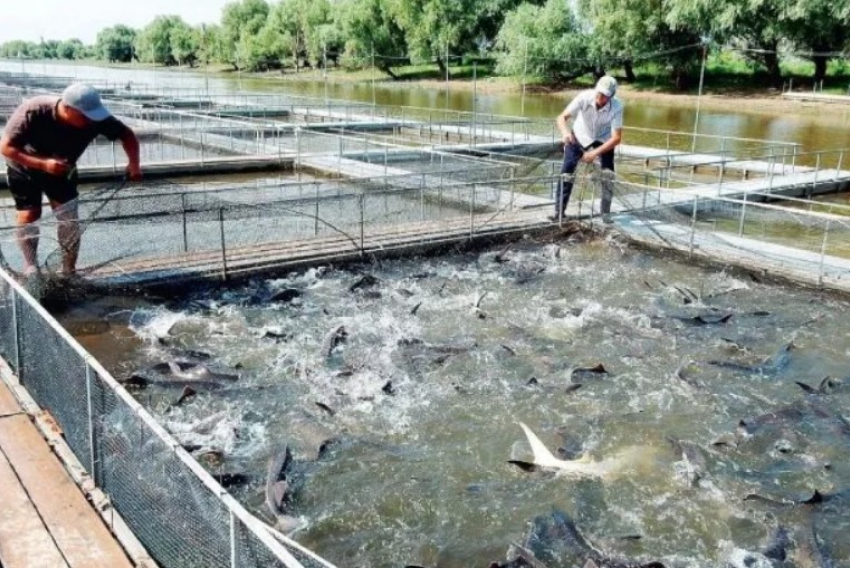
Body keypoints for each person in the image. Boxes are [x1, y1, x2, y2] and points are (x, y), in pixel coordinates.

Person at [0, 83, 142, 277]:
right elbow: (7, 147)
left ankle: (69, 270)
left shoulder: (97, 119)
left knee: (69, 218)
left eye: (94, 116)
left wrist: (134, 164)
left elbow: (127, 136)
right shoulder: (34, 110)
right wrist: (44, 164)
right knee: (30, 215)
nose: (91, 121)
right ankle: (31, 265)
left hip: (63, 169)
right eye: (85, 116)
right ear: (67, 109)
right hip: (25, 165)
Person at [552, 75, 624, 221]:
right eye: (599, 93)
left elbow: (616, 138)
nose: (601, 97)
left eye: (605, 96)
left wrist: (595, 153)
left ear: (611, 97)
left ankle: (605, 214)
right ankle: (559, 212)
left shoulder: (617, 106)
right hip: (579, 136)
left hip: (602, 140)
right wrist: (565, 133)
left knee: (608, 175)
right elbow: (561, 118)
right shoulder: (584, 97)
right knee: (567, 172)